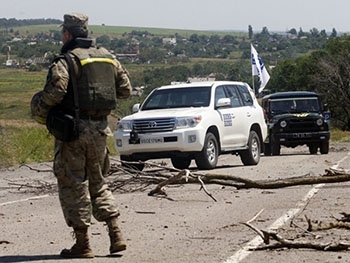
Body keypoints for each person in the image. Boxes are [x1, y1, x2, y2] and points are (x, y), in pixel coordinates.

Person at [31, 13, 132, 258]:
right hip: (100, 130)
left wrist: (39, 109)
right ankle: (115, 232)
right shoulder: (109, 58)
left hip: (73, 132)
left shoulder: (65, 60)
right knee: (99, 182)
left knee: (73, 184)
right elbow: (126, 90)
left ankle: (83, 243)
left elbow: (56, 91)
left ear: (67, 34)